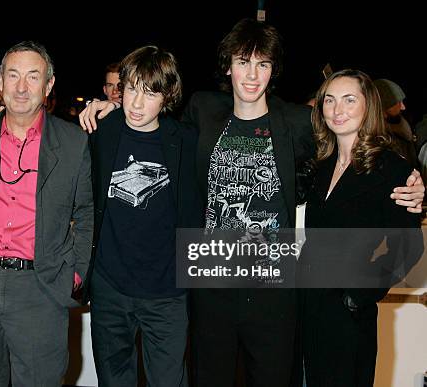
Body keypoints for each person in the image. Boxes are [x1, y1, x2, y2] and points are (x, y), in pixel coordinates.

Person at [78, 18, 424, 387]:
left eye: (263, 63)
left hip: (273, 288)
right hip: (210, 283)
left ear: (273, 70)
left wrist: (411, 178)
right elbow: (152, 116)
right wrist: (110, 109)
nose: (252, 74)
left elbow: (350, 138)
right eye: (243, 62)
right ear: (228, 66)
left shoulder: (296, 122)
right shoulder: (203, 109)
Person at [0, 40, 93, 387]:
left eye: (33, 77)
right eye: (13, 75)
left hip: (40, 290)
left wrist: (73, 276)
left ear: (48, 86)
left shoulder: (74, 143)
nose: (21, 87)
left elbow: (87, 212)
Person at [86, 46, 202, 386]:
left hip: (167, 293)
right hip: (110, 289)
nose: (136, 104)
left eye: (150, 93)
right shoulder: (101, 132)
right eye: (132, 89)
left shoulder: (187, 142)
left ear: (167, 96)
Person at [299, 69, 423, 386]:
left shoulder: (391, 167)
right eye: (330, 100)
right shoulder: (319, 165)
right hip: (307, 308)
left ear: (368, 106)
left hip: (349, 314)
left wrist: (360, 294)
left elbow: (408, 245)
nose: (338, 110)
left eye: (349, 100)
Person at [374, 78, 417, 166]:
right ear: (384, 107)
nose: (403, 107)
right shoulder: (379, 142)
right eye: (398, 103)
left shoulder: (403, 128)